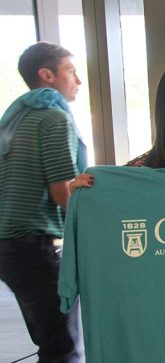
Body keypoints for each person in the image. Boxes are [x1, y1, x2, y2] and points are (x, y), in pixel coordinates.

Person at [0, 41, 91, 362]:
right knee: (64, 348)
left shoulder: (12, 119)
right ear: (46, 74)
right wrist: (92, 233)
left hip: (8, 249)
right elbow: (61, 191)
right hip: (36, 247)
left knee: (51, 341)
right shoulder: (53, 118)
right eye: (71, 71)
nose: (78, 80)